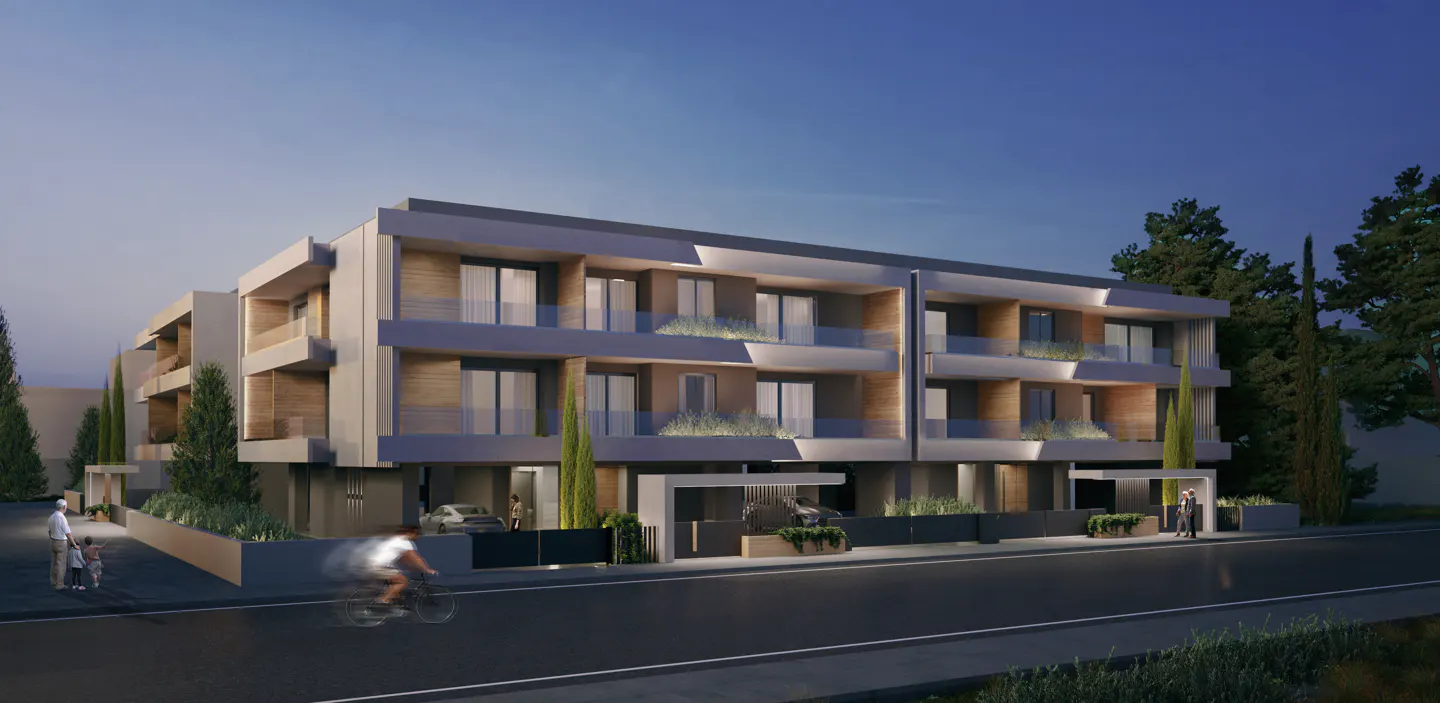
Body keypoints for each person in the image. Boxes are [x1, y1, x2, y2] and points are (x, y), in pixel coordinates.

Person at [370, 525, 436, 614]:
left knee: (395, 585)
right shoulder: (404, 542)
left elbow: (406, 559)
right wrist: (427, 569)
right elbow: (416, 558)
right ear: (410, 533)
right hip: (381, 566)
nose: (418, 536)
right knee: (403, 582)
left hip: (377, 564)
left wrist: (413, 567)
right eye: (417, 534)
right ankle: (383, 600)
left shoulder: (397, 540)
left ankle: (400, 606)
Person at [48, 499, 81, 591]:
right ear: (64, 507)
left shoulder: (51, 517)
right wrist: (74, 544)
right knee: (61, 564)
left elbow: (49, 531)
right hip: (61, 543)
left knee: (54, 563)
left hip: (53, 541)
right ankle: (59, 584)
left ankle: (53, 581)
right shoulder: (62, 518)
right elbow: (68, 533)